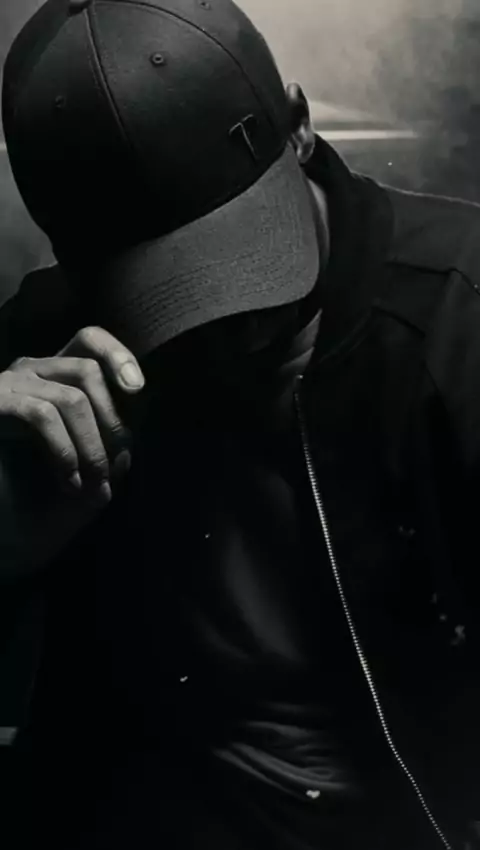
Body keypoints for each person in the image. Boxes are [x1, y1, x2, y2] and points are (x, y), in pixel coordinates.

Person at [1, 0, 480, 848]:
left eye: (245, 263)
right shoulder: (40, 358)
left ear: (298, 126)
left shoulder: (459, 321)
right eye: (167, 297)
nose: (223, 331)